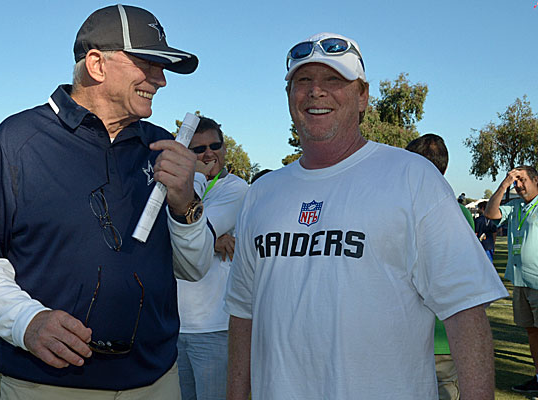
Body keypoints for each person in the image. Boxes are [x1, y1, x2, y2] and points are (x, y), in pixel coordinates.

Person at [0, 5, 214, 399]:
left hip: (157, 381)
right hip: (47, 384)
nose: (160, 80)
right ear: (96, 64)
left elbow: (196, 267)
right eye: (148, 63)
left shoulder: (164, 148)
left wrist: (185, 204)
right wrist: (27, 320)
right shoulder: (17, 141)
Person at [224, 31, 508, 400]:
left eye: (334, 80)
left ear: (362, 97)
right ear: (289, 96)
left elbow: (465, 314)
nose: (316, 92)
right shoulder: (262, 193)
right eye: (303, 81)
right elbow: (243, 315)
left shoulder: (412, 178)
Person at [176, 116, 248, 400]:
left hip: (215, 328)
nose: (208, 154)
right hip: (174, 326)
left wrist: (191, 174)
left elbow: (193, 231)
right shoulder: (179, 188)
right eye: (197, 150)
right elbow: (166, 238)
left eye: (214, 145)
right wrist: (212, 242)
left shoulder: (236, 189)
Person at [405, 133, 477, 400]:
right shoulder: (461, 214)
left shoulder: (392, 209)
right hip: (443, 339)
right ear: (444, 169)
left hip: (407, 339)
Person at [485, 166, 538, 394]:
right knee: (531, 331)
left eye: (522, 180)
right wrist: (503, 185)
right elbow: (490, 213)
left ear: (536, 180)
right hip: (519, 280)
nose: (519, 185)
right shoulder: (515, 206)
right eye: (516, 181)